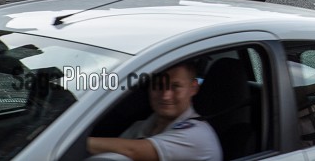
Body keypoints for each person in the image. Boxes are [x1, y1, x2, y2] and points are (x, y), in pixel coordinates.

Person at [87, 61, 222, 161]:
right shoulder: (142, 126)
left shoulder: (196, 135)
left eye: (176, 86)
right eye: (159, 86)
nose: (165, 95)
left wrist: (73, 141)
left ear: (194, 88)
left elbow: (133, 151)